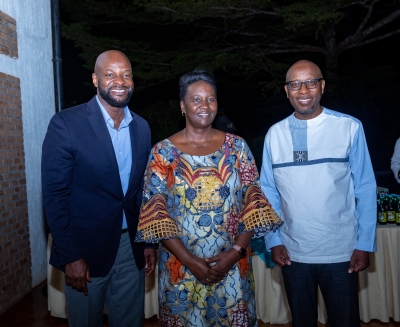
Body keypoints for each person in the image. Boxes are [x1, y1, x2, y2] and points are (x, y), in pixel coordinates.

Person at [135, 70, 282, 326]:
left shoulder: (237, 148)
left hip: (234, 267)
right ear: (183, 105)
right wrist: (191, 262)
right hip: (180, 270)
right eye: (196, 99)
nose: (205, 106)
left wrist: (235, 252)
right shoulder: (162, 153)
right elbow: (157, 216)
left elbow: (253, 205)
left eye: (210, 99)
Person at [41, 50, 157, 327]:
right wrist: (71, 256)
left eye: (126, 74)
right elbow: (55, 197)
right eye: (111, 74)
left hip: (131, 248)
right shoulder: (66, 124)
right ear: (95, 79)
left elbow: (142, 192)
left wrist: (149, 242)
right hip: (85, 251)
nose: (120, 81)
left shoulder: (141, 127)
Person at [260, 60, 377, 327]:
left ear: (322, 86)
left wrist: (365, 243)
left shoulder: (349, 127)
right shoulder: (274, 135)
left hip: (342, 252)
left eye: (311, 82)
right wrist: (273, 239)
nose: (303, 90)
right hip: (293, 252)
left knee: (345, 322)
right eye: (295, 84)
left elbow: (366, 188)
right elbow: (267, 192)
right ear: (286, 90)